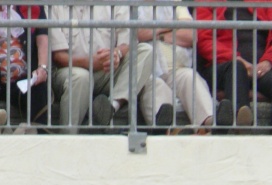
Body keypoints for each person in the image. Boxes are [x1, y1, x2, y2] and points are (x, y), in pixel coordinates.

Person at [48, 2, 171, 133]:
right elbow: (59, 57)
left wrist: (116, 54)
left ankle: (110, 108)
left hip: (107, 70)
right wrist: (90, 62)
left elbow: (129, 41)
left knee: (146, 51)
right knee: (80, 77)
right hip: (70, 70)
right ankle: (68, 140)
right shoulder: (53, 5)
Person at [138, 0, 233, 133]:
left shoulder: (175, 3)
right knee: (155, 85)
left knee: (190, 76)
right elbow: (138, 33)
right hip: (148, 71)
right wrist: (173, 26)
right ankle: (168, 130)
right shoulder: (131, 3)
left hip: (176, 69)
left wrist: (157, 33)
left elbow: (190, 35)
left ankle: (212, 124)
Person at [195, 0, 272, 129]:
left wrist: (268, 61)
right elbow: (204, 41)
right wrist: (237, 59)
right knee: (236, 68)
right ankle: (241, 121)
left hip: (261, 69)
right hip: (223, 66)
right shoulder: (206, 2)